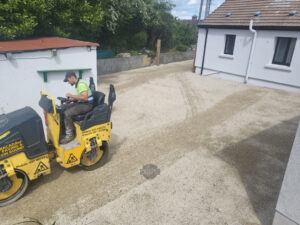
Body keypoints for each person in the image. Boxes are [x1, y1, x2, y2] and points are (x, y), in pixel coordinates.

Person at [60, 71, 94, 144]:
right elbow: (79, 97)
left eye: (68, 80)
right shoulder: (77, 84)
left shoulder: (81, 84)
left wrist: (72, 95)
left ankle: (70, 136)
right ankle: (65, 130)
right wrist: (69, 100)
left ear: (72, 77)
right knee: (62, 108)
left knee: (67, 113)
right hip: (82, 103)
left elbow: (85, 98)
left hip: (87, 105)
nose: (68, 83)